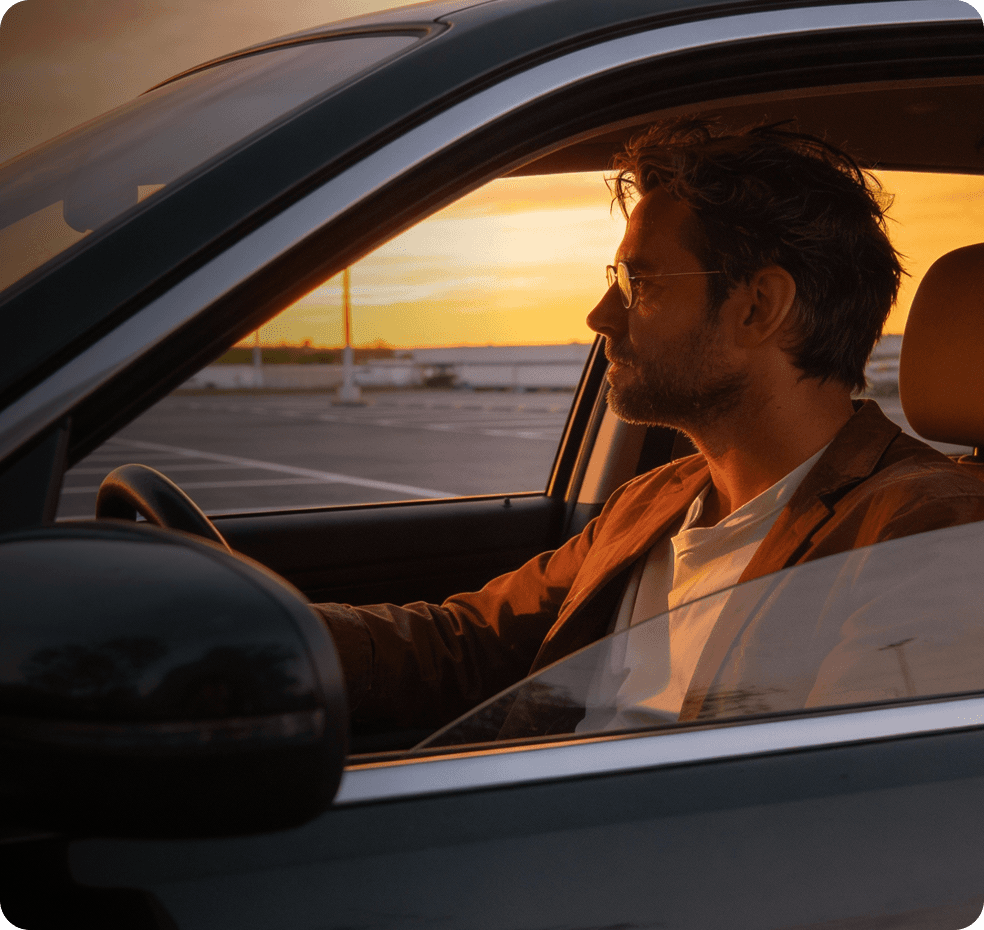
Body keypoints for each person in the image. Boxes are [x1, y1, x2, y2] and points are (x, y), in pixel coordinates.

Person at [313, 119, 984, 735]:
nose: (601, 316)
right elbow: (468, 646)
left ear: (758, 308)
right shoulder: (657, 500)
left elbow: (830, 811)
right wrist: (265, 638)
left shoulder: (927, 534)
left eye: (640, 284)